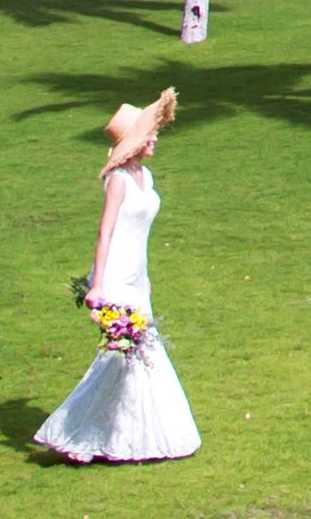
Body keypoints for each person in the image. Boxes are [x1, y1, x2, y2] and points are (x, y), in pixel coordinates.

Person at [41, 88, 202, 465]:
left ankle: (129, 436)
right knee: (122, 355)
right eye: (150, 133)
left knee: (138, 354)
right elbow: (105, 232)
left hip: (136, 276)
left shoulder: (145, 176)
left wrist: (145, 278)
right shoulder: (118, 180)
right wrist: (97, 285)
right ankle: (75, 433)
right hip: (114, 276)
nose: (155, 138)